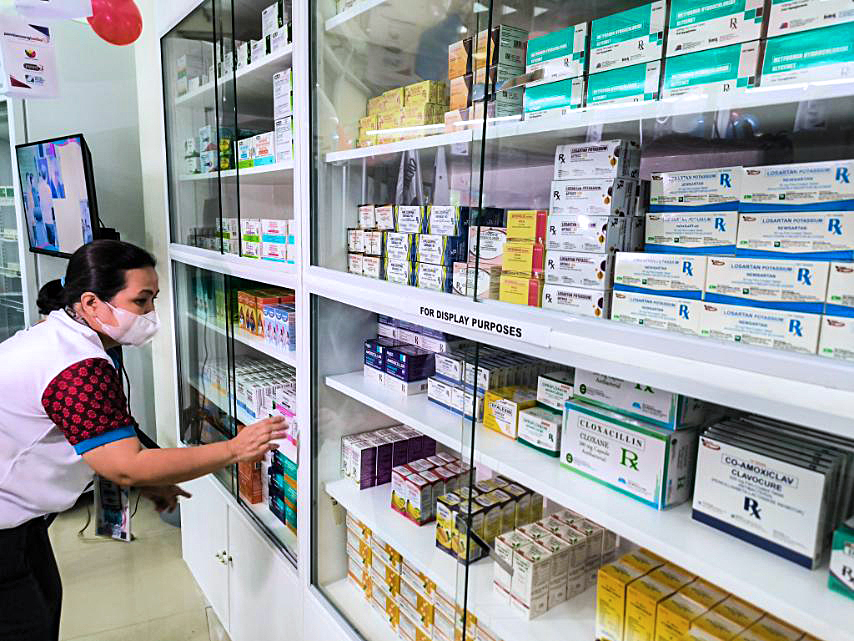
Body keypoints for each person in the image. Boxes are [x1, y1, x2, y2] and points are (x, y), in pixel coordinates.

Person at [0, 239, 286, 641]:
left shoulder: (60, 333)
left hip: (19, 518)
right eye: (141, 301)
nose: (151, 313)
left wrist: (152, 477)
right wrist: (235, 449)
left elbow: (103, 432)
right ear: (91, 303)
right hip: (5, 526)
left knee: (44, 605)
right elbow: (125, 465)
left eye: (153, 299)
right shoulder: (76, 366)